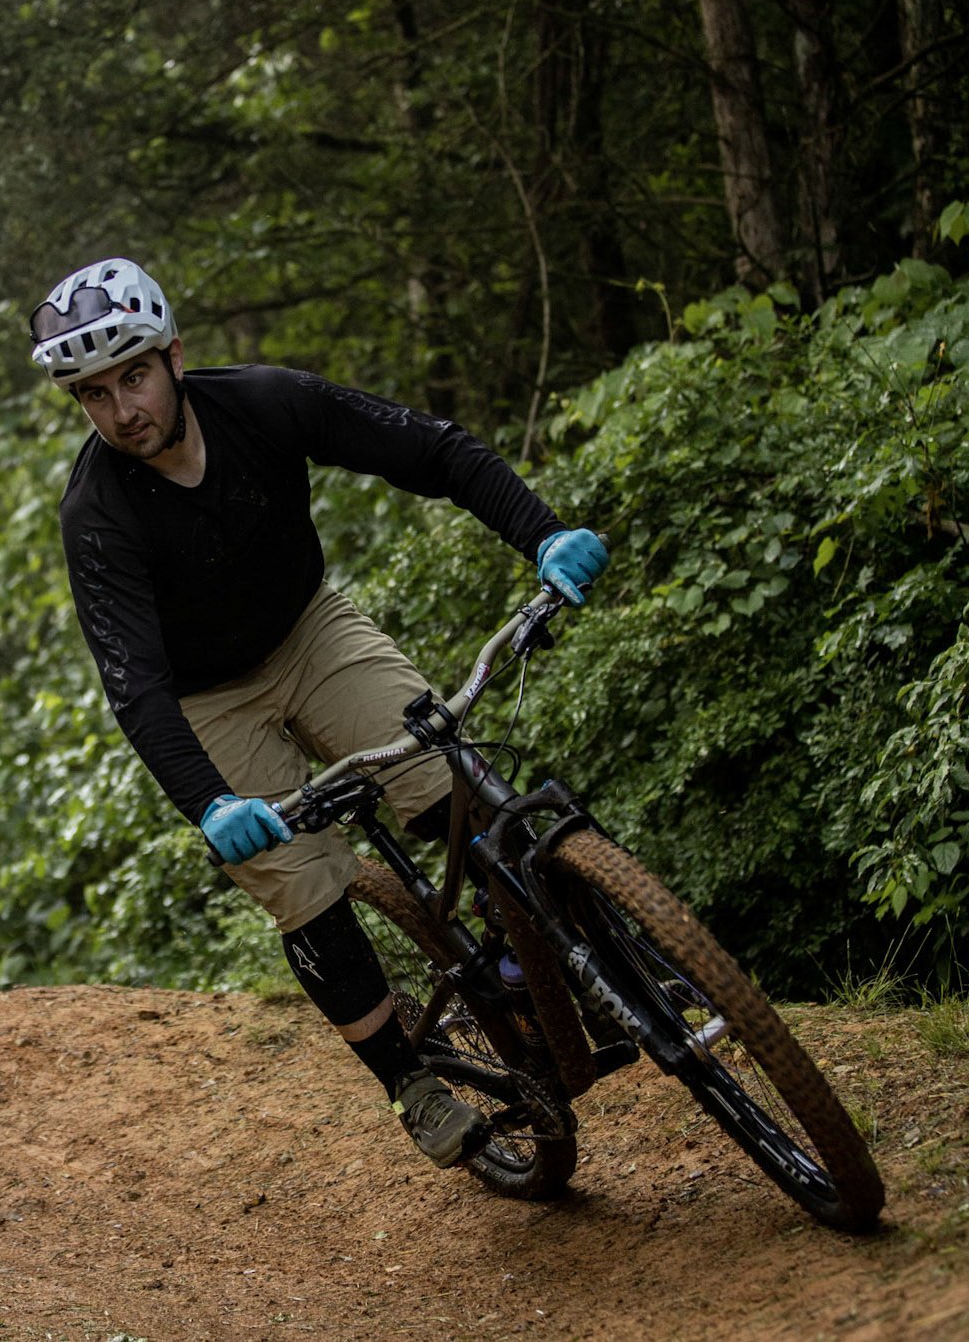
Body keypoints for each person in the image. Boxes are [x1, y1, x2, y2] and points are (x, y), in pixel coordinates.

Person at [32, 258, 608, 1170]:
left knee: (455, 787)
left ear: (175, 356)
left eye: (132, 376)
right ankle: (409, 1084)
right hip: (205, 699)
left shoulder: (264, 403)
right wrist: (210, 803)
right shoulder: (97, 515)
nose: (121, 410)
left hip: (308, 630)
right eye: (93, 395)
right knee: (299, 884)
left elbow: (431, 450)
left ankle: (535, 962)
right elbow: (135, 685)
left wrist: (542, 532)